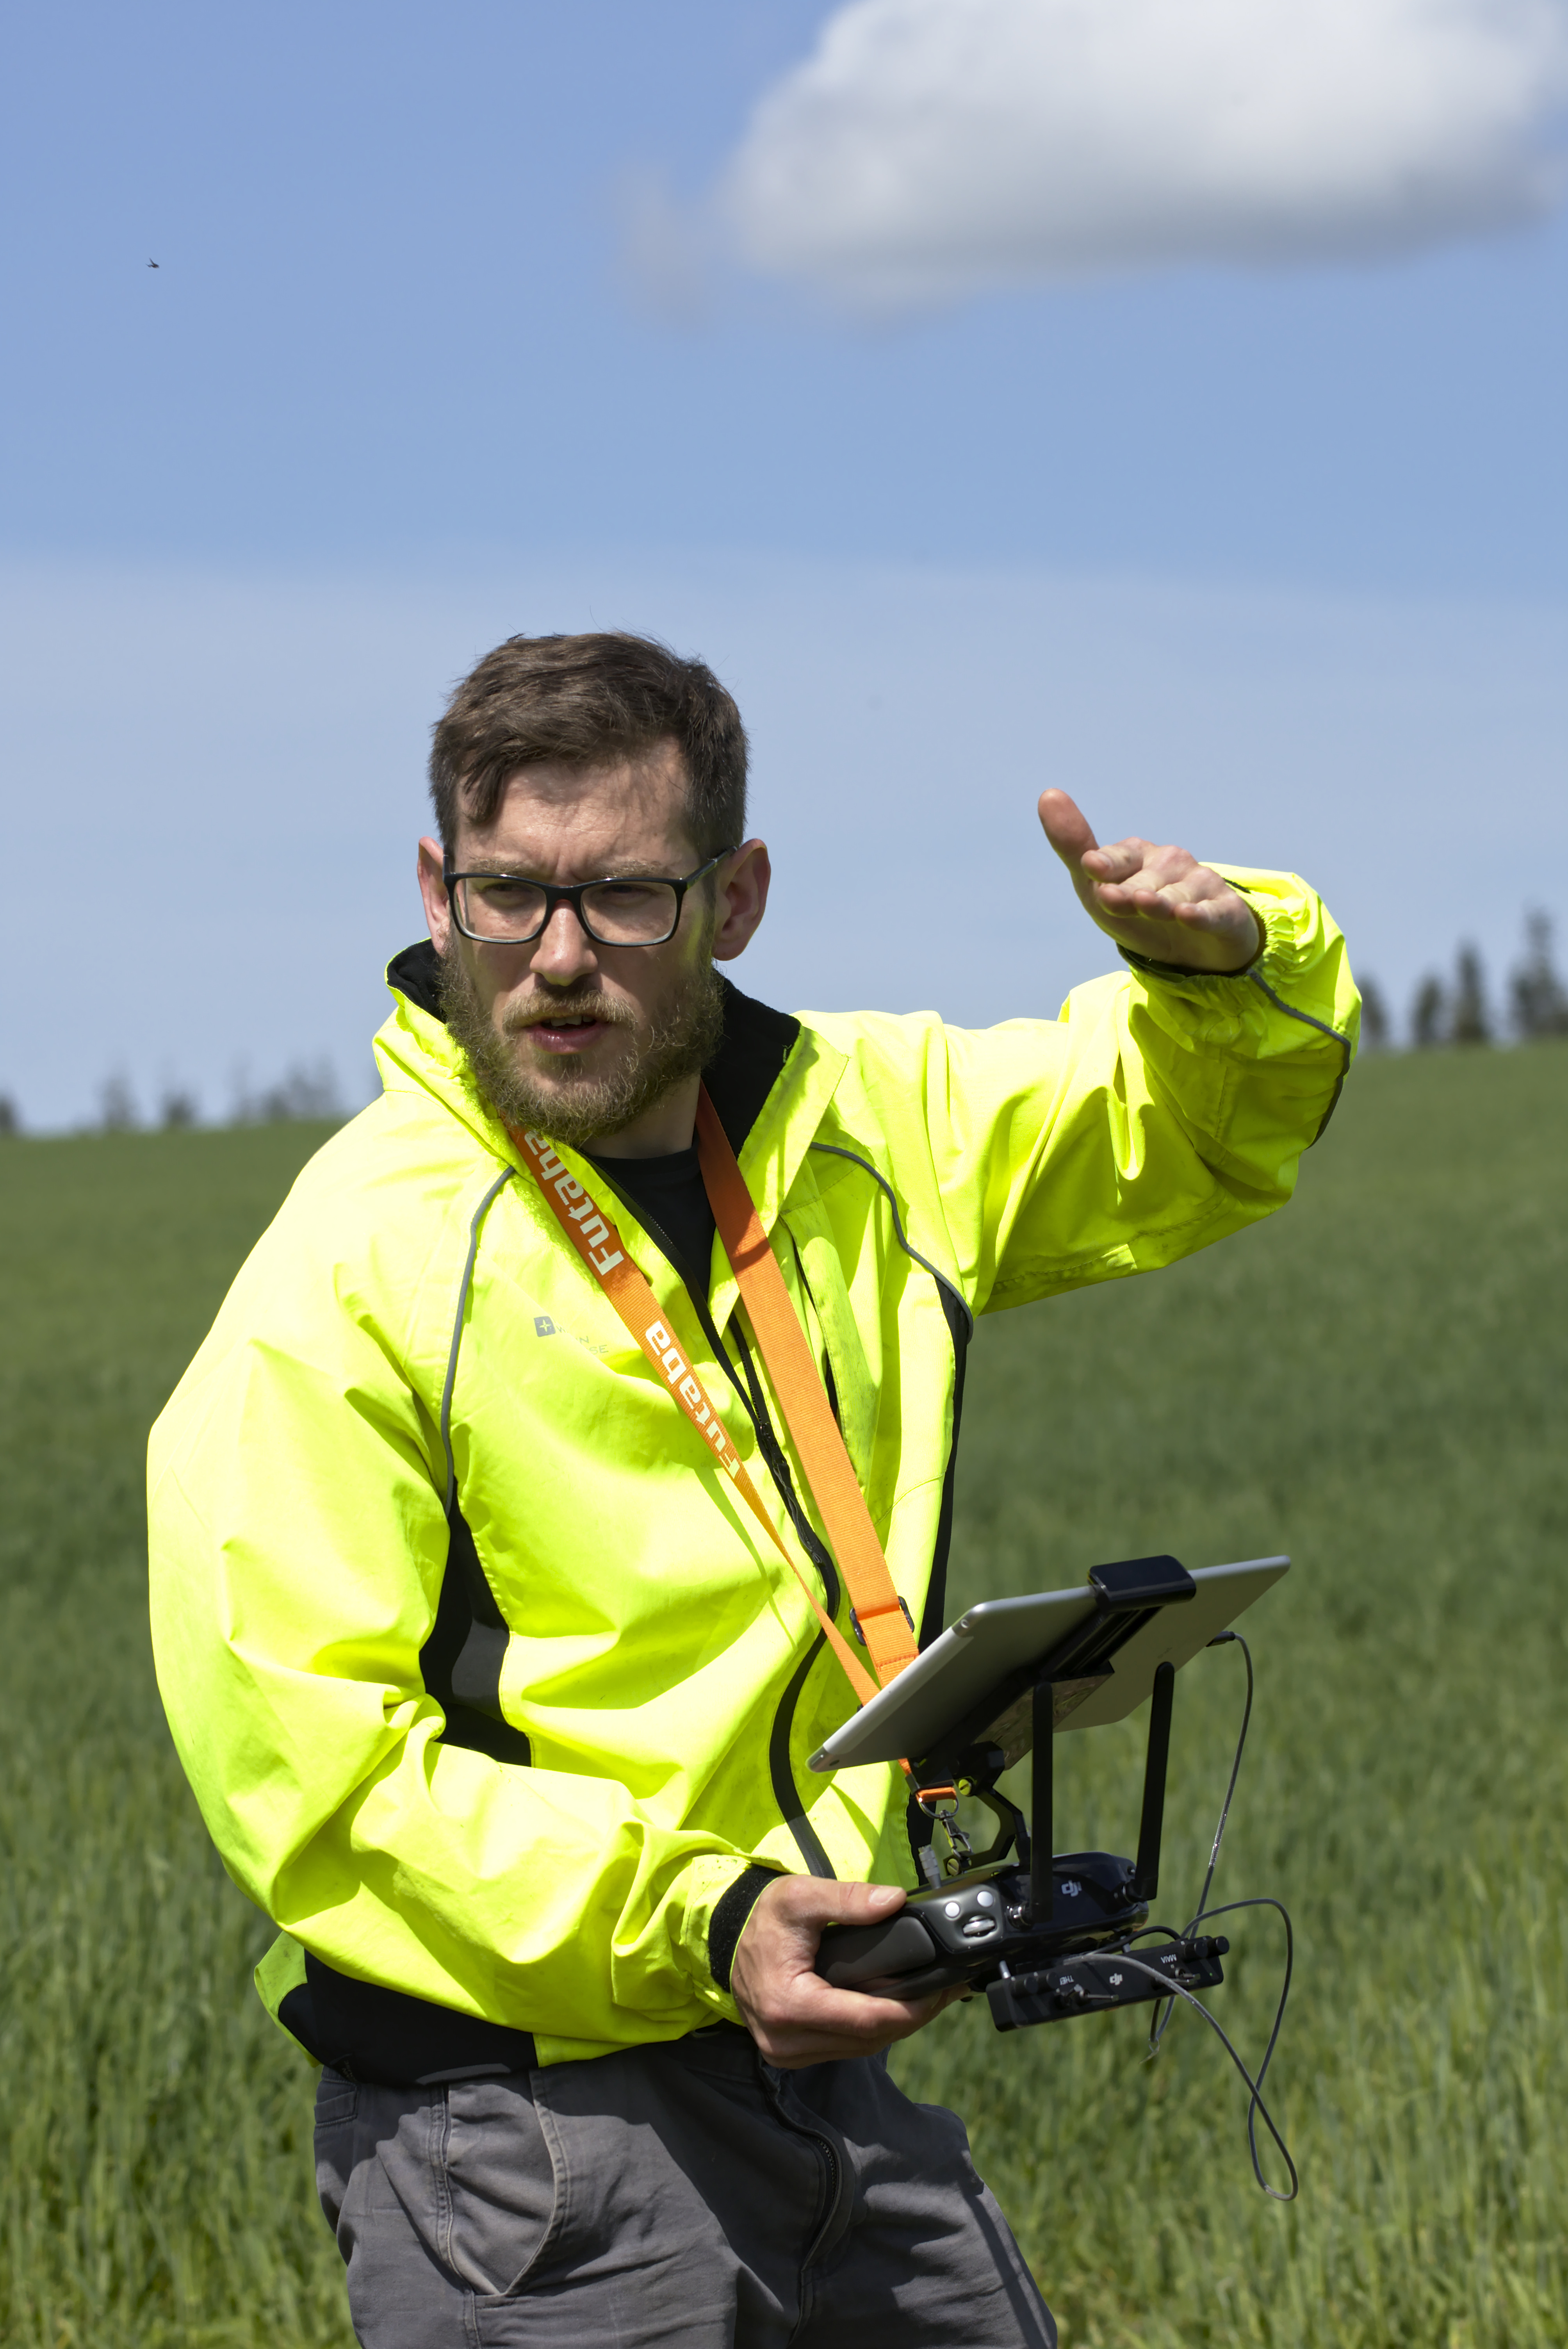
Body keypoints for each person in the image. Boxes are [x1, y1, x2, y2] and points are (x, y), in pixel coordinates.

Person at [148, 631, 1358, 2348]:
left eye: (625, 899)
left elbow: (1188, 1135)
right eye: (506, 896)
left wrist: (1231, 967)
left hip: (828, 2059)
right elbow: (313, 1771)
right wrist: (699, 1919)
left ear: (737, 895)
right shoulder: (349, 1265)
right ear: (435, 886)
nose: (557, 960)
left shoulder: (864, 1124)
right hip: (524, 2136)